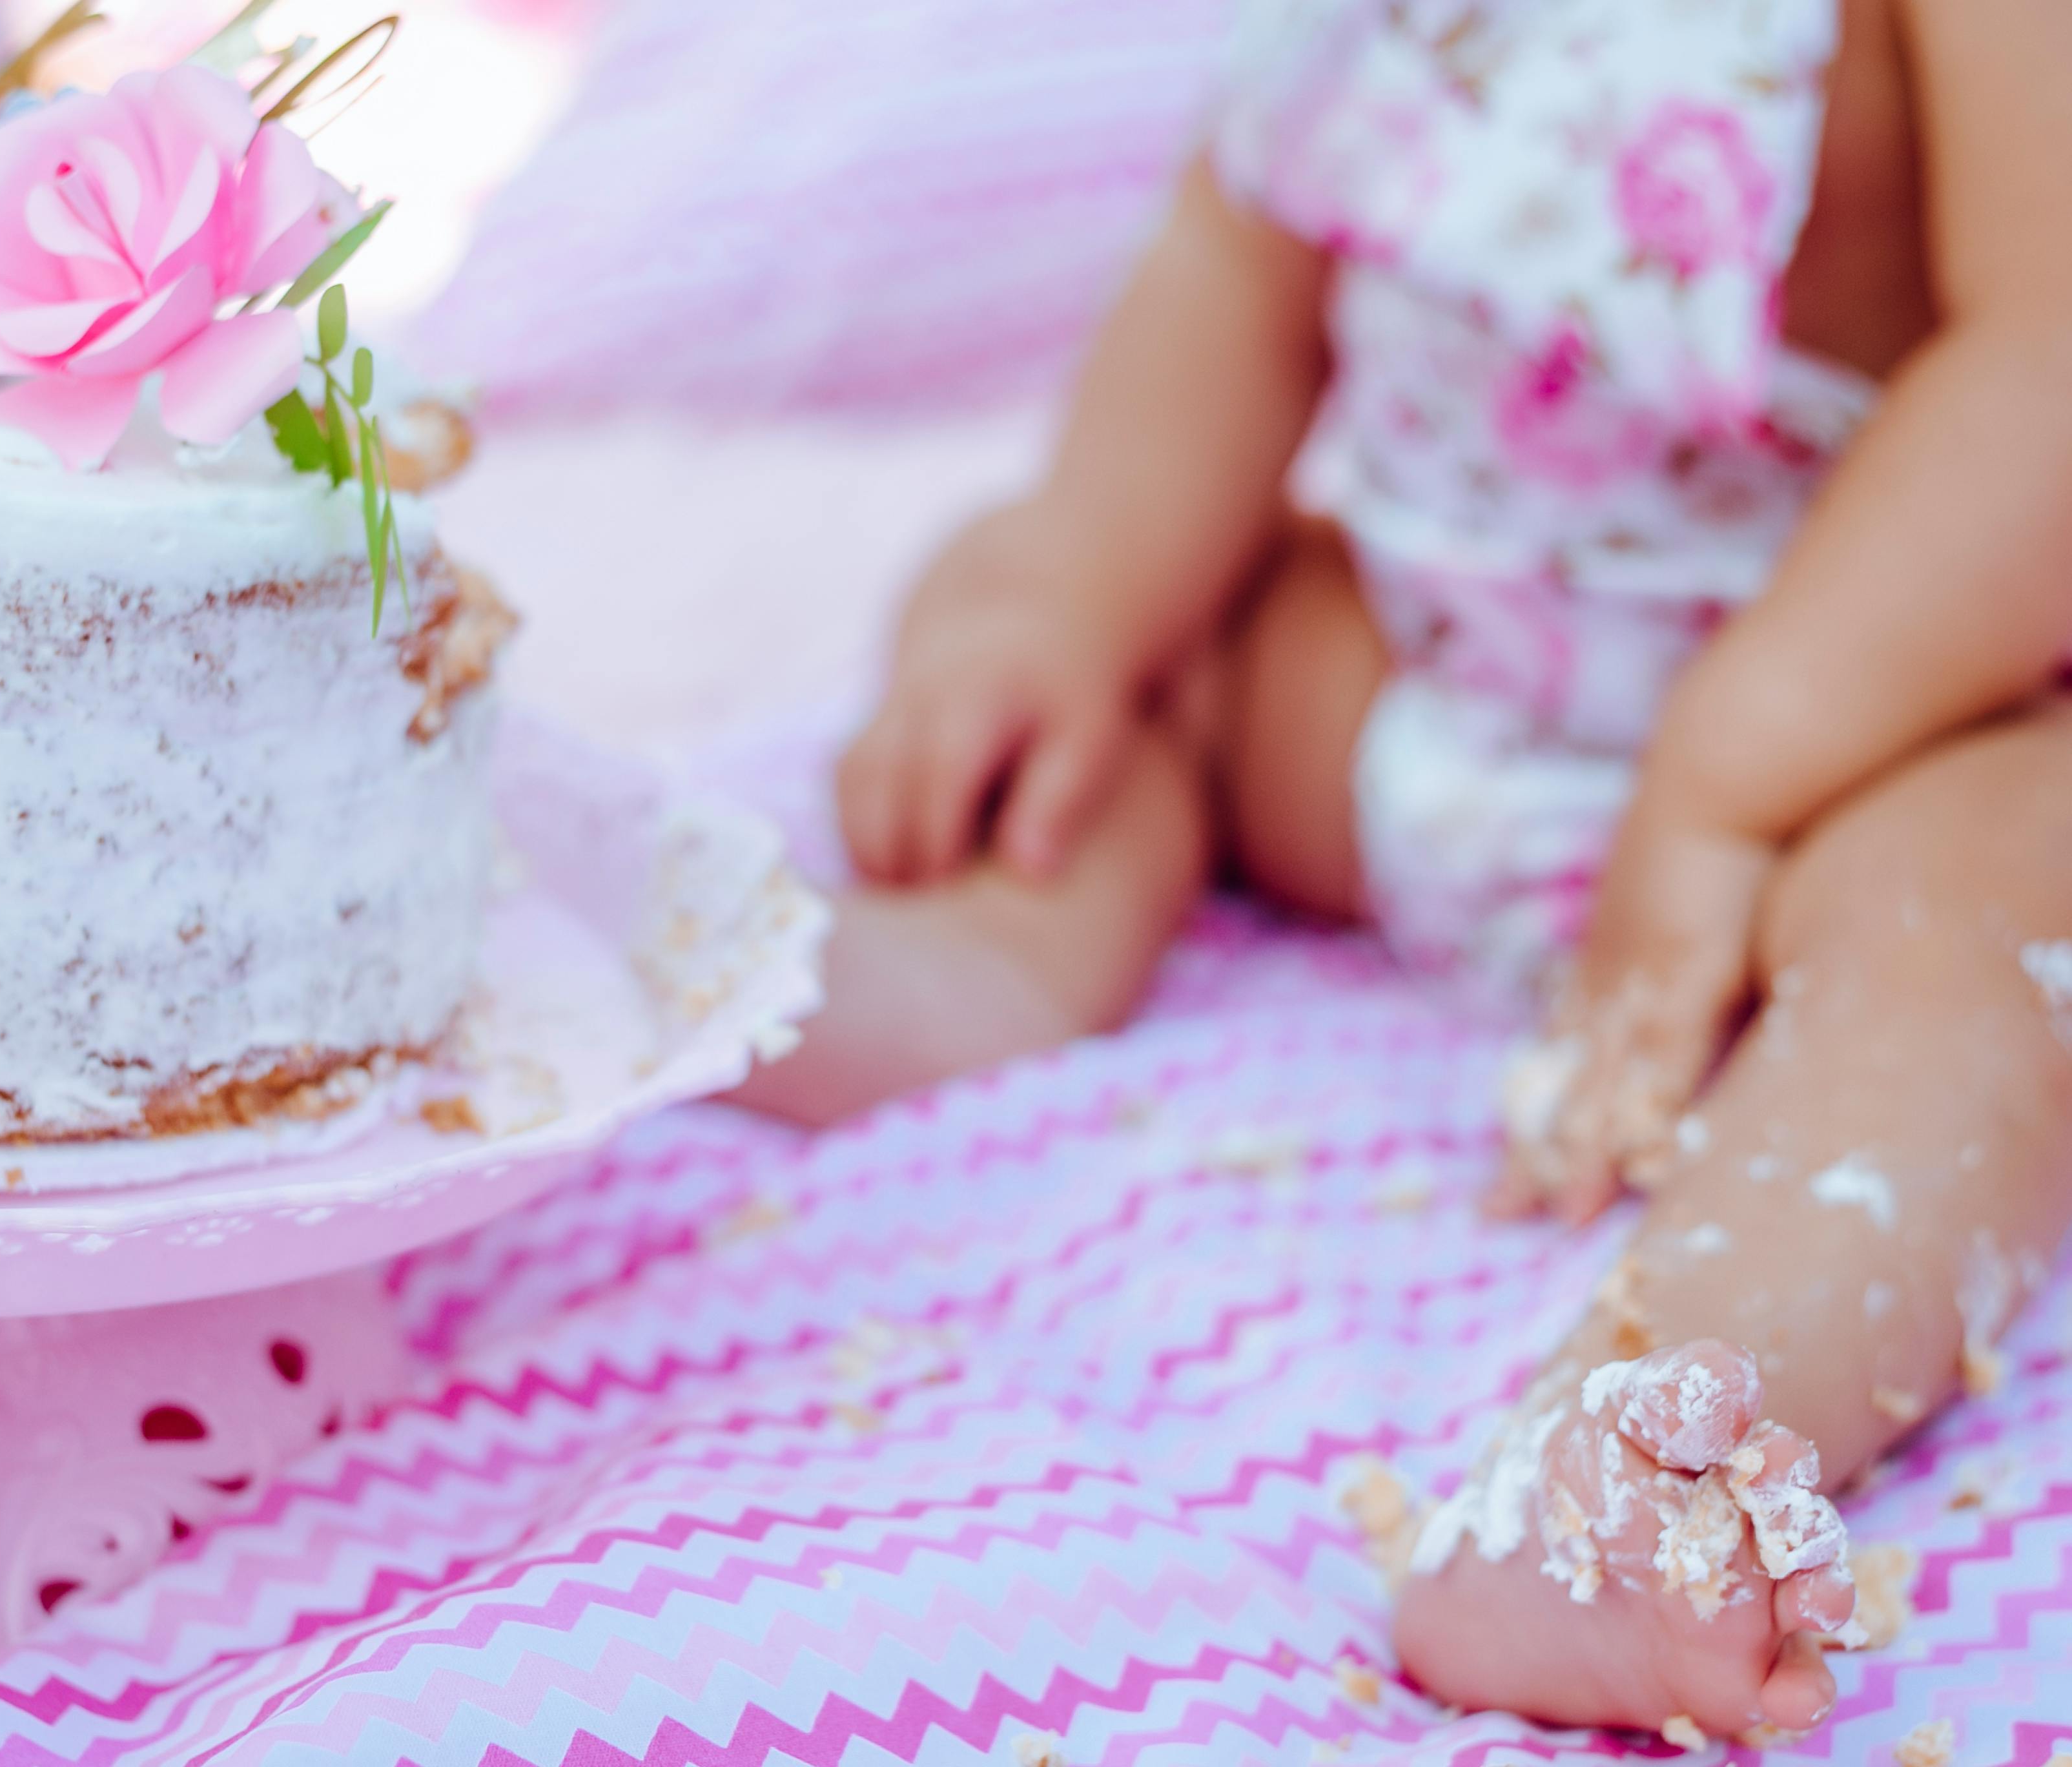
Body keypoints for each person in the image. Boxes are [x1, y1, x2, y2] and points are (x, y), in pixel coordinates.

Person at [734, 0, 2072, 1737]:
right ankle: (1009, 935)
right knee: (1039, 587)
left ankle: (1651, 1443)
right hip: (1430, 682)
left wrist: (1733, 777)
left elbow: (2046, 381)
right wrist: (1070, 593)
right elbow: (1238, 262)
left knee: (2001, 899)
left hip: (1845, 750)